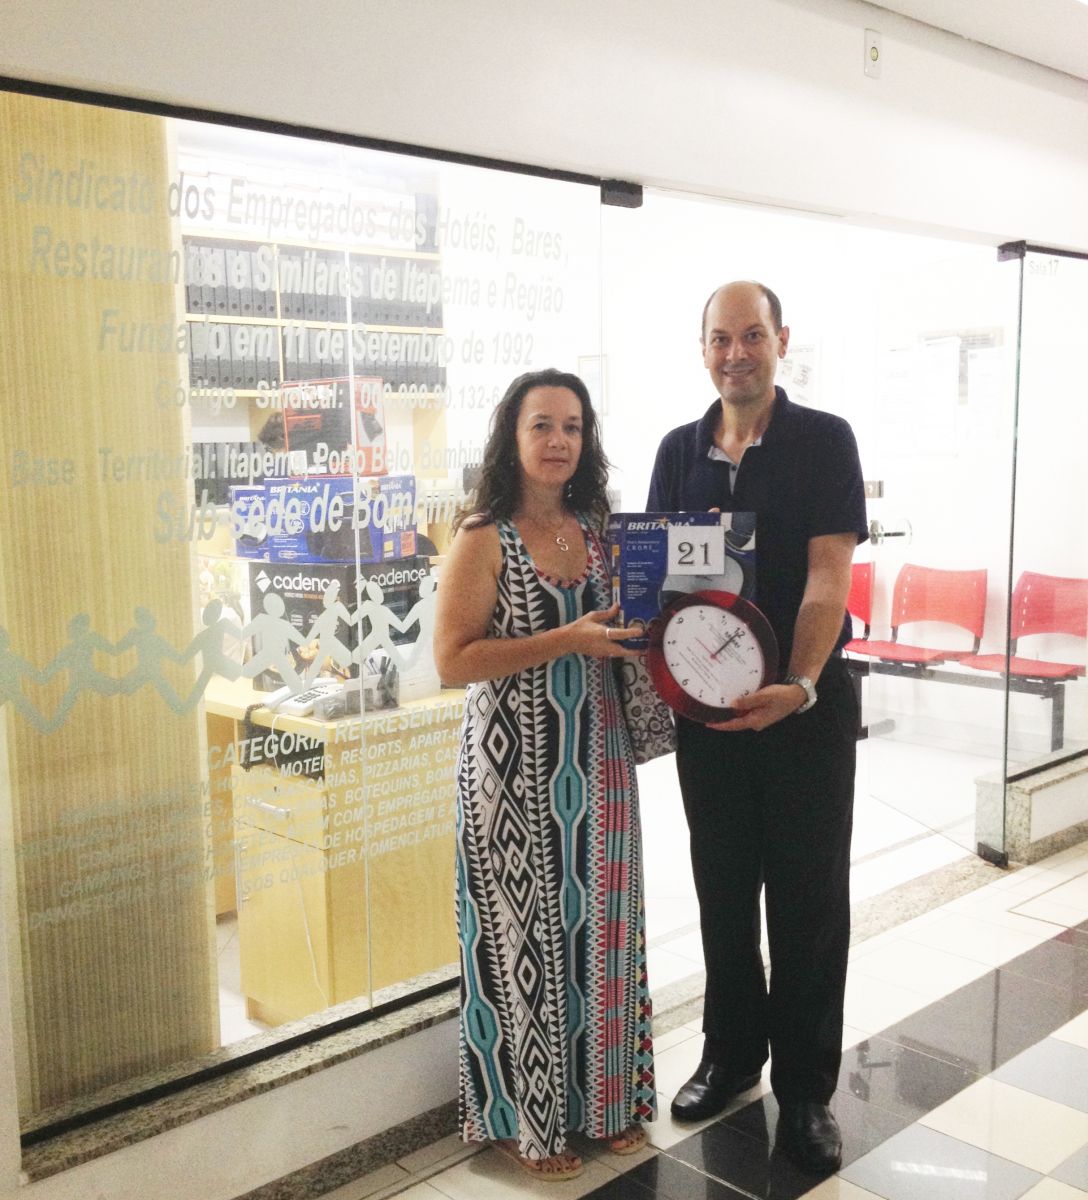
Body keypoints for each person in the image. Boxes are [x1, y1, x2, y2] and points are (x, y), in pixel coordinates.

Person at [646, 281, 867, 1174]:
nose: (734, 353)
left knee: (809, 900)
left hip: (805, 709)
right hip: (710, 717)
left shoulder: (825, 440)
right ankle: (732, 1054)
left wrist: (798, 683)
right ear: (702, 348)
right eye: (719, 338)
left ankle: (806, 1091)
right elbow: (661, 583)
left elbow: (828, 577)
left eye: (751, 335)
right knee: (724, 888)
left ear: (781, 340)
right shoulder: (678, 451)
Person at [434, 368, 657, 1182]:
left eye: (572, 426)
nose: (559, 440)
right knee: (518, 940)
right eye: (542, 425)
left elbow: (634, 626)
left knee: (606, 931)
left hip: (601, 763)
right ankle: (518, 1121)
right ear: (513, 436)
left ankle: (607, 1104)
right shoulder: (482, 537)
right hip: (511, 770)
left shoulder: (601, 531)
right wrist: (568, 640)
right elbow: (453, 661)